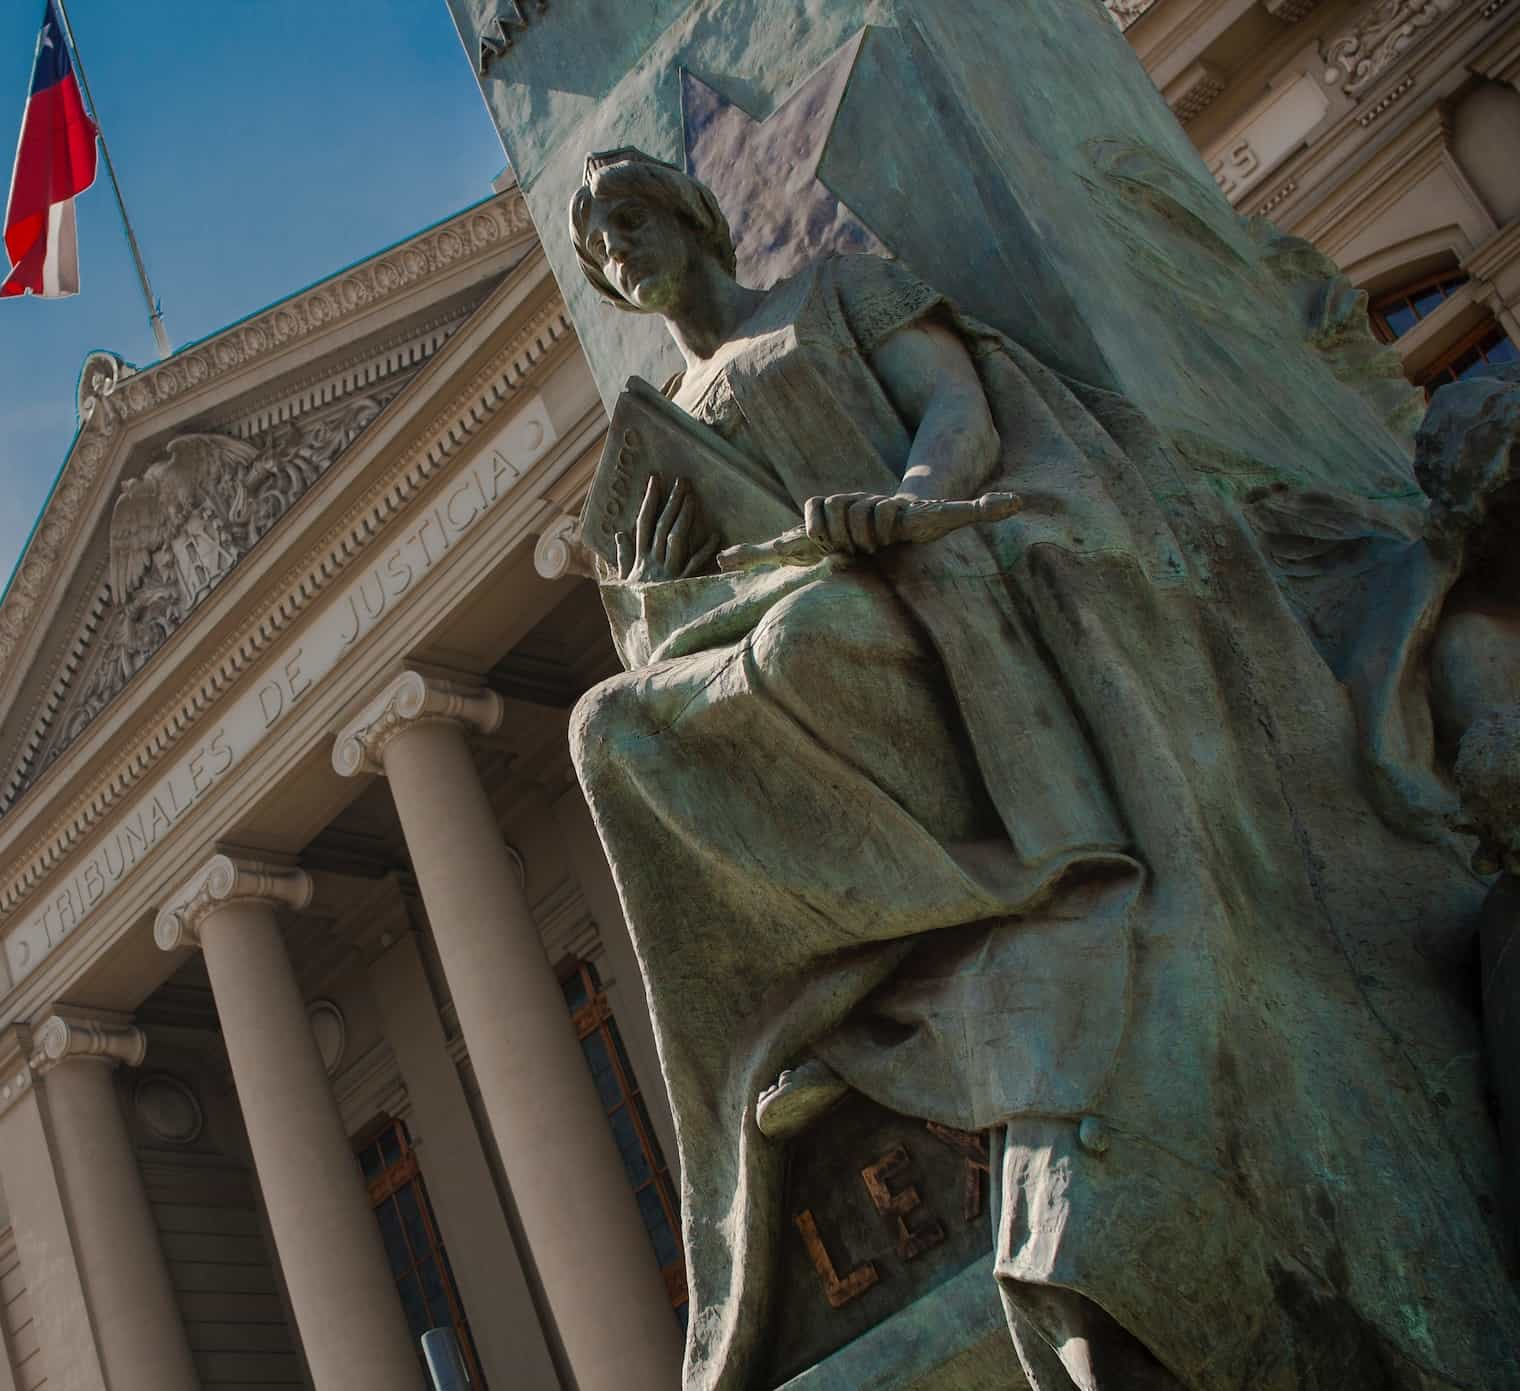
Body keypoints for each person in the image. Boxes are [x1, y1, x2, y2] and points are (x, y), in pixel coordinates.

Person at [565, 148, 1520, 1390]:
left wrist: (904, 498)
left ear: (693, 217)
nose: (624, 247)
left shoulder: (836, 292)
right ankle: (818, 977)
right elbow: (689, 608)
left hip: (911, 570)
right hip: (792, 607)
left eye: (636, 215)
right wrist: (650, 599)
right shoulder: (673, 419)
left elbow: (954, 404)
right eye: (601, 244)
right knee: (607, 725)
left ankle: (954, 895)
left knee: (800, 645)